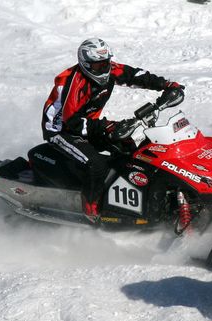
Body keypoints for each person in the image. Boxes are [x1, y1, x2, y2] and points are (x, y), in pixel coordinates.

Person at [41, 37, 184, 222]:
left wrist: (166, 85)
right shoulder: (74, 84)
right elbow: (72, 122)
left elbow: (136, 75)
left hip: (86, 124)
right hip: (61, 130)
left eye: (106, 63)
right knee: (96, 164)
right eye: (98, 66)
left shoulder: (110, 69)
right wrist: (106, 126)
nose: (104, 69)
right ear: (85, 65)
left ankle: (131, 197)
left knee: (127, 145)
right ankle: (91, 210)